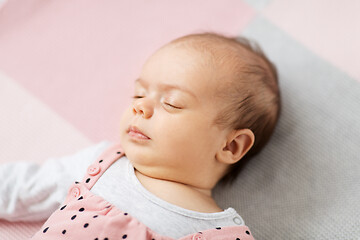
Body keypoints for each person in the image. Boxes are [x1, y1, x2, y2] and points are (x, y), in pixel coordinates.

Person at [0, 32, 281, 239]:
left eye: (171, 102)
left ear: (231, 145)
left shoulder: (222, 234)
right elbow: (21, 189)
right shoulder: (103, 164)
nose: (139, 106)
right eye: (139, 93)